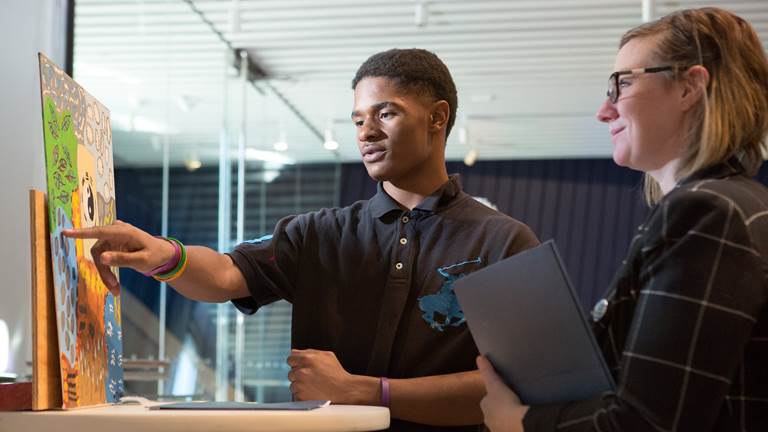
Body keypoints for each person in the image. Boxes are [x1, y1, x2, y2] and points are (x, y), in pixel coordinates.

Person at [65, 48, 539, 431]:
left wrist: (366, 392)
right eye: (358, 120)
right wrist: (163, 256)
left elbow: (517, 385)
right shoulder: (318, 233)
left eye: (386, 113)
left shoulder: (503, 242)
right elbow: (226, 275)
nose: (367, 132)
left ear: (437, 118)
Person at [476, 7, 768, 432]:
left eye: (622, 84)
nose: (604, 111)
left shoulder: (706, 212)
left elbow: (649, 422)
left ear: (689, 87)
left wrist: (518, 422)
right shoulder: (739, 203)